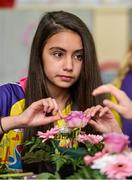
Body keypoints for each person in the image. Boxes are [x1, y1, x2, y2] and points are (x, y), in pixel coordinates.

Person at [0, 11, 121, 173]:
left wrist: (116, 137)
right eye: (58, 54)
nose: (69, 66)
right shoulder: (8, 96)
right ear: (39, 54)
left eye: (79, 56)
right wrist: (16, 121)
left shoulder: (101, 106)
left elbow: (116, 172)